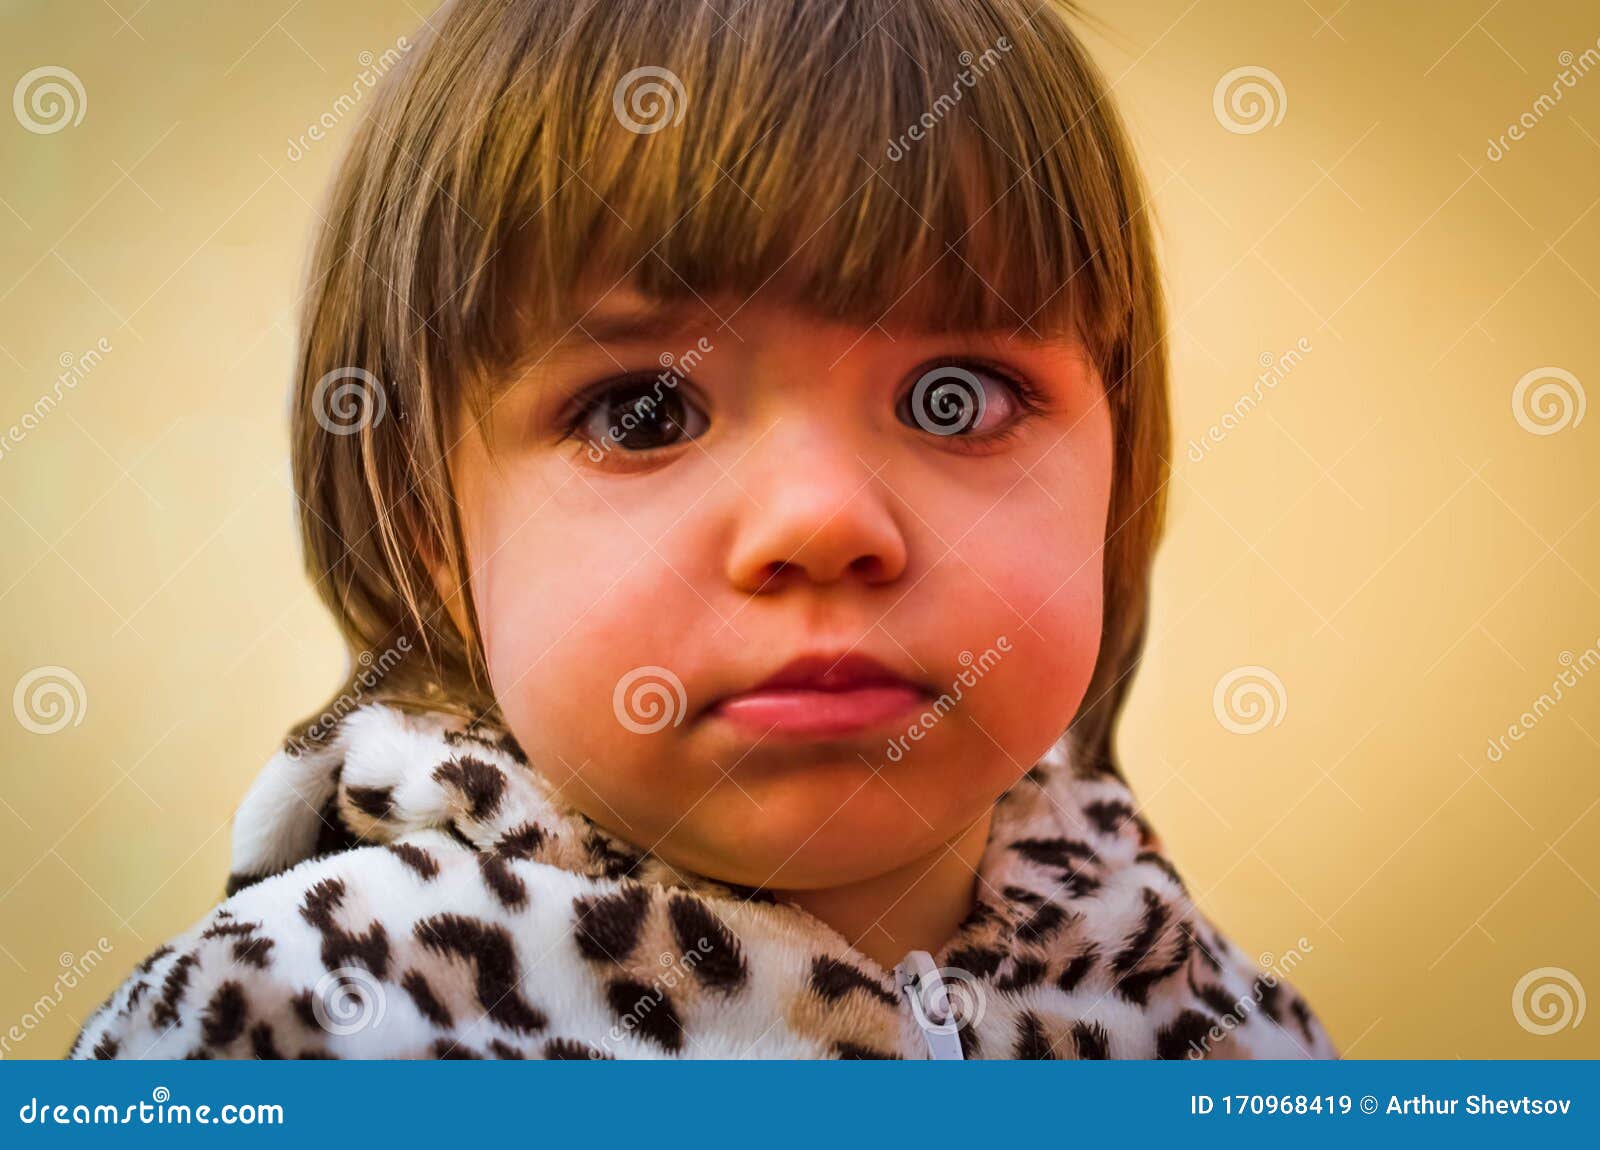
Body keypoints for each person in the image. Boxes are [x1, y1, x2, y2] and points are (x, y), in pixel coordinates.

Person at [70, 0, 1338, 1060]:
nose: (825, 522)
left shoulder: (1204, 1003)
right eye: (643, 411)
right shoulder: (312, 1020)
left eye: (956, 397)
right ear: (429, 533)